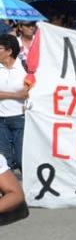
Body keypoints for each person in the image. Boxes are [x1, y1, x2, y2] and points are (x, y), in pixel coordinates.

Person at [0, 35, 28, 170]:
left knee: (22, 158)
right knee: (5, 161)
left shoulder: (24, 67)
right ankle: (9, 190)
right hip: (1, 120)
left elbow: (30, 92)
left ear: (9, 51)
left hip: (21, 118)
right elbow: (21, 93)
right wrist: (17, 95)